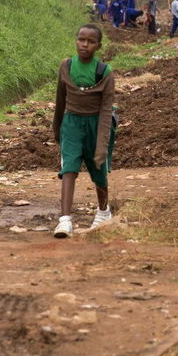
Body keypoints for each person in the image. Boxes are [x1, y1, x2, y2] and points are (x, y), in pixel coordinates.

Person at [53, 24, 117, 237]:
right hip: (71, 123)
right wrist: (57, 129)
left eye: (90, 42)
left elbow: (106, 110)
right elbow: (60, 100)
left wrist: (102, 144)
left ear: (98, 46)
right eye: (81, 39)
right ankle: (64, 220)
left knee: (98, 168)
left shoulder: (104, 72)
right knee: (68, 168)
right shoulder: (66, 66)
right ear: (76, 40)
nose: (85, 45)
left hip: (95, 124)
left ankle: (103, 210)